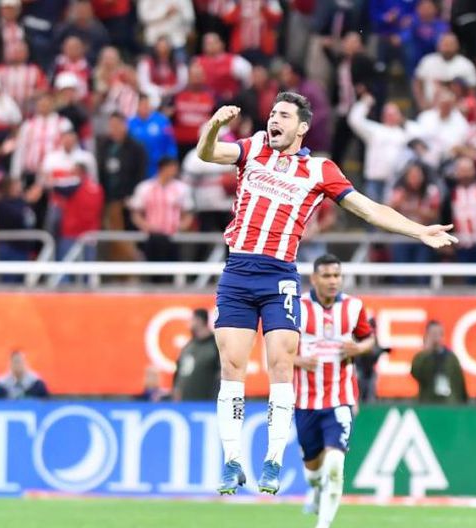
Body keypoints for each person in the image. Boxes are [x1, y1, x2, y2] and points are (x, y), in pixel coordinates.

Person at [194, 92, 458, 495]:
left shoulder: (320, 169)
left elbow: (369, 209)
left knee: (281, 364)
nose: (274, 120)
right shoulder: (253, 148)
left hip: (279, 275)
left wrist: (419, 230)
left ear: (302, 127)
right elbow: (207, 153)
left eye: (284, 115)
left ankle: (273, 461)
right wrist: (214, 125)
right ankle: (232, 461)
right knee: (232, 365)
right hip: (237, 271)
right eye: (272, 114)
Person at [293, 254, 374, 528]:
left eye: (337, 275)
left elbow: (369, 339)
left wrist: (358, 348)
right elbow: (275, 350)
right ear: (314, 278)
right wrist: (298, 360)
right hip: (305, 401)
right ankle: (315, 489)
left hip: (340, 398)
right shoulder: (297, 307)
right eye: (327, 276)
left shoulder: (353, 307)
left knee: (336, 466)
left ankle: (323, 524)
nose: (333, 281)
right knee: (313, 469)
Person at [410, 320, 468, 404]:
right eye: (433, 334)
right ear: (427, 335)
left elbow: (460, 383)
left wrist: (461, 403)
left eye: (439, 334)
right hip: (429, 403)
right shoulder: (423, 357)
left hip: (449, 403)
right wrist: (426, 351)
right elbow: (415, 372)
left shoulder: (451, 358)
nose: (436, 337)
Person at [173, 308, 221, 401]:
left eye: (191, 319)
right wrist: (176, 388)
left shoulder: (215, 344)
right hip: (185, 401)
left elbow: (222, 372)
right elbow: (179, 370)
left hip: (206, 401)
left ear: (199, 321)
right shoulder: (188, 346)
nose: (188, 323)